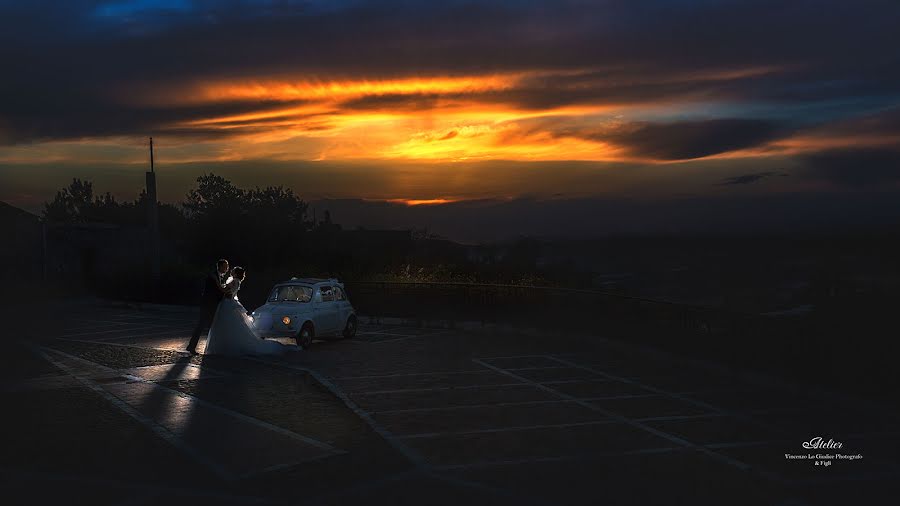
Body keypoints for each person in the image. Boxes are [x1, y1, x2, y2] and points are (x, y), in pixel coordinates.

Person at [204, 266, 298, 356]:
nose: (231, 271)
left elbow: (224, 290)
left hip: (228, 303)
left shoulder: (234, 281)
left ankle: (225, 345)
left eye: (233, 270)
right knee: (231, 325)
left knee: (227, 325)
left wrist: (216, 281)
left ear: (236, 273)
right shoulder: (236, 281)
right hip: (229, 302)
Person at [187, 259, 230, 355]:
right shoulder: (213, 276)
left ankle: (193, 346)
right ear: (219, 266)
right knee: (203, 325)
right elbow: (214, 291)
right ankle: (193, 346)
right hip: (208, 304)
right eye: (225, 266)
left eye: (227, 266)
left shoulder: (220, 277)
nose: (227, 268)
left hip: (212, 304)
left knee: (208, 326)